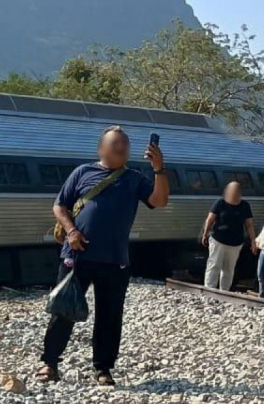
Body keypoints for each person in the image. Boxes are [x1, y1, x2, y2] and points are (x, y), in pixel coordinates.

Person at [37, 126, 169, 386]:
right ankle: (49, 363)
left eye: (125, 144)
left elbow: (160, 200)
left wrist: (158, 169)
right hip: (77, 255)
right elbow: (59, 205)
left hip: (115, 259)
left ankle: (103, 369)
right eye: (115, 143)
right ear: (101, 148)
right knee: (63, 310)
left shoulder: (135, 178)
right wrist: (71, 230)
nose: (121, 147)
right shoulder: (82, 172)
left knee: (110, 315)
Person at [201, 181, 255, 291]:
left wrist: (253, 240)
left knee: (229, 268)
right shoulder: (220, 203)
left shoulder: (245, 206)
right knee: (214, 265)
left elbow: (249, 225)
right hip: (218, 239)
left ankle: (224, 291)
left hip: (236, 242)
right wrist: (205, 233)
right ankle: (209, 289)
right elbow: (210, 219)